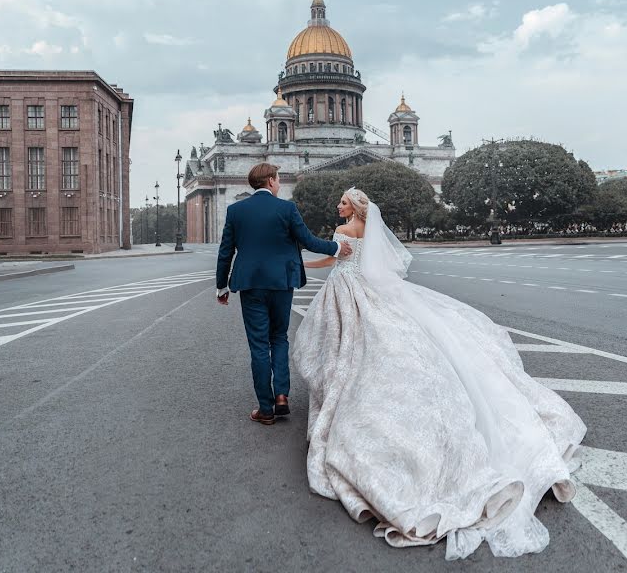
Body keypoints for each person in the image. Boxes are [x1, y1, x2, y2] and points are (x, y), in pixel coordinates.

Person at [291, 188, 587, 560]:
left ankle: (340, 387)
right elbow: (377, 265)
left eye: (344, 201)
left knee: (347, 346)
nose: (339, 205)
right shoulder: (368, 231)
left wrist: (299, 265)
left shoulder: (345, 232)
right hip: (365, 289)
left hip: (347, 290)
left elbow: (334, 259)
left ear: (355, 207)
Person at [216, 163, 352, 425]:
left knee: (258, 345)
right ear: (269, 181)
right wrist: (336, 247)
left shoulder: (236, 211)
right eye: (277, 180)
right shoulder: (286, 208)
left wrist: (222, 286)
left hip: (251, 285)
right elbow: (309, 240)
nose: (279, 184)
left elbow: (226, 252)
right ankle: (281, 395)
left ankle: (265, 409)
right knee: (279, 338)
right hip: (281, 283)